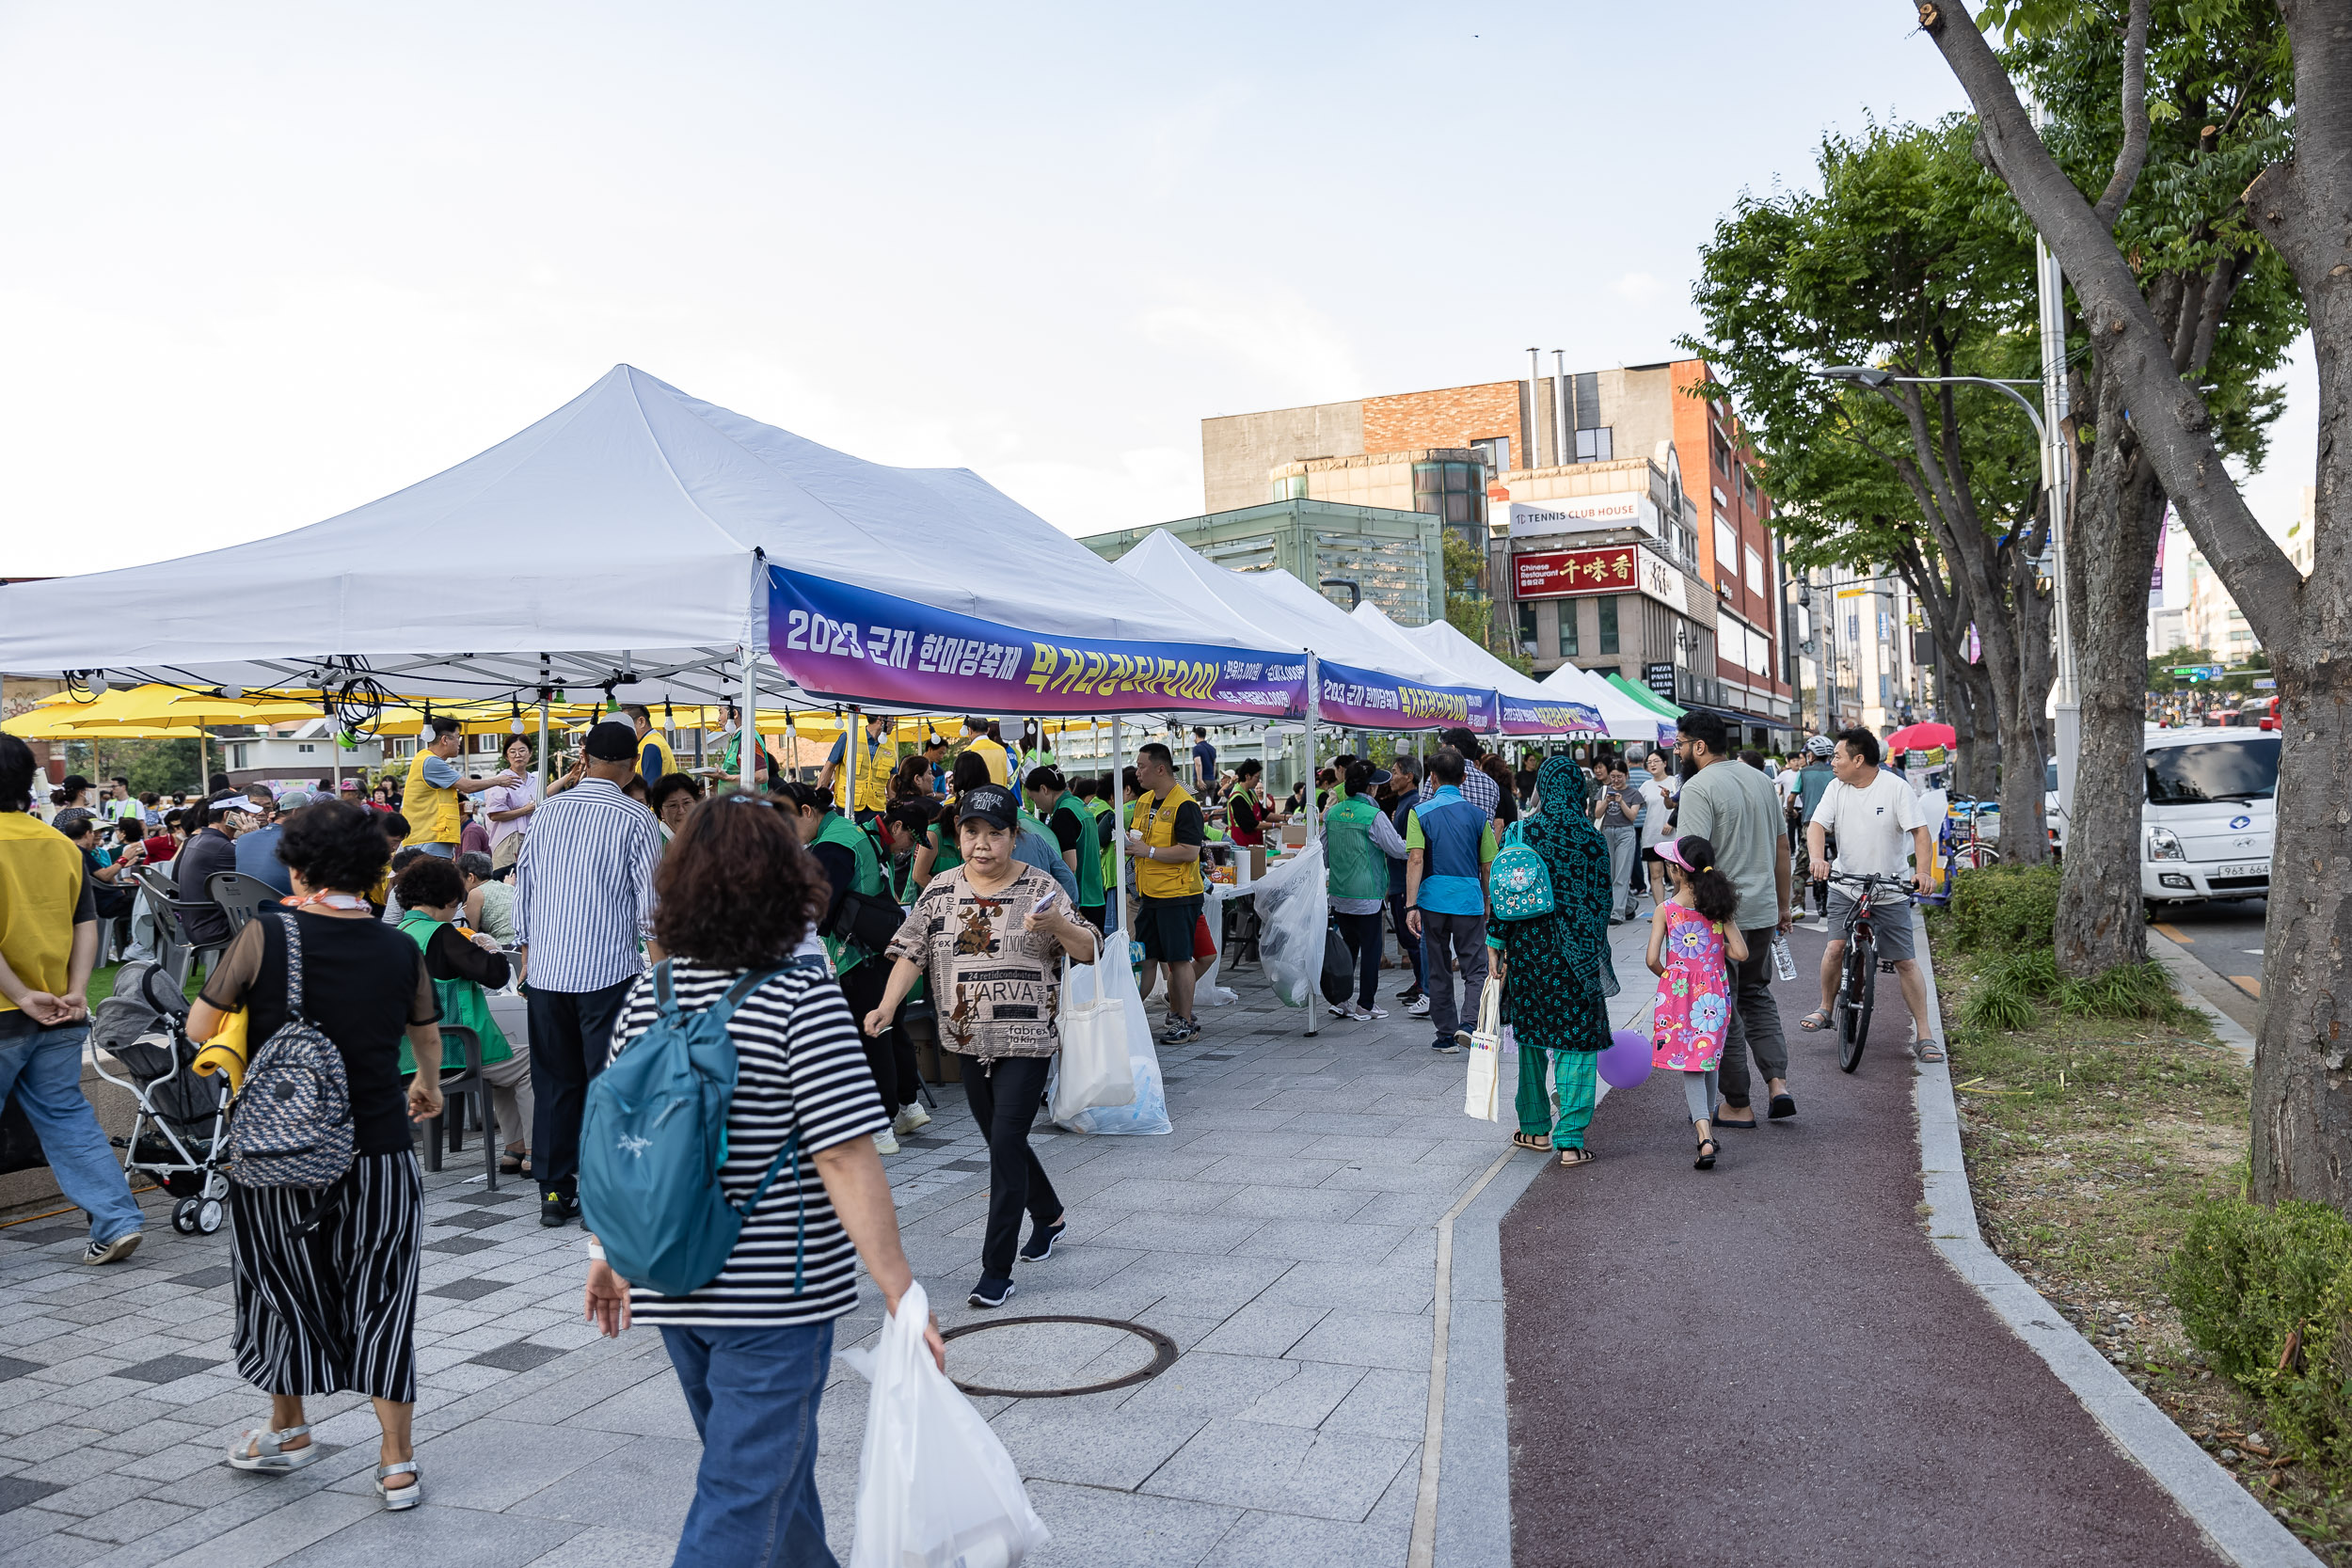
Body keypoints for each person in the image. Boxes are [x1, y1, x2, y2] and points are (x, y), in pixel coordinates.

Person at [584, 790, 944, 1564]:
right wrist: (900, 1287)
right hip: (775, 1291)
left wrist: (604, 1254)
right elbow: (845, 1152)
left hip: (673, 1277)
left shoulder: (653, 992)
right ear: (788, 882)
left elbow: (617, 1139)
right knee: (744, 1489)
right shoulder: (796, 996)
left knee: (762, 1464)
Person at [186, 800, 443, 1507]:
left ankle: (291, 1428)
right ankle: (396, 1463)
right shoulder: (401, 947)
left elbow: (198, 1024)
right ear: (373, 868)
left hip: (278, 1151)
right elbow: (425, 1034)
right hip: (382, 1152)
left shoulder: (268, 934)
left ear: (297, 866)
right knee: (385, 1295)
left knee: (279, 1284)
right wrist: (425, 1086)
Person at [865, 784, 1100, 1309]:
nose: (983, 844)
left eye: (996, 834)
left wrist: (1058, 923)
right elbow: (910, 954)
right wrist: (885, 1007)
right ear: (958, 834)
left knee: (1006, 1142)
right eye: (972, 832)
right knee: (1001, 1140)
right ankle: (1050, 1214)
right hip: (967, 1039)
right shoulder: (941, 890)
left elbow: (1088, 950)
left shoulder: (1041, 888)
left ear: (1014, 838)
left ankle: (996, 1269)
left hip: (1028, 1038)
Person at [0, 738, 146, 1264]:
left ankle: (117, 1220)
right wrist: (77, 992)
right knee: (67, 1117)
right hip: (61, 1009)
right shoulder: (58, 843)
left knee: (66, 1116)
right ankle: (117, 1221)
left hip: (9, 1011)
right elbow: (87, 921)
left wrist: (18, 994)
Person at [515, 721, 662, 1228]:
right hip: (608, 972)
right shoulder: (637, 817)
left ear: (583, 754)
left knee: (554, 1080)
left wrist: (529, 954)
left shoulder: (549, 811)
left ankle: (554, 1193)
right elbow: (650, 911)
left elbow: (524, 885)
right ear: (633, 764)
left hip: (549, 970)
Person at [772, 781, 923, 1151]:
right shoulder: (850, 829)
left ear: (807, 812)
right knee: (892, 1028)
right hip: (885, 943)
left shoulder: (831, 847)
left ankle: (881, 1126)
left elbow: (812, 905)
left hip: (861, 951)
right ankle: (909, 1107)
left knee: (871, 1033)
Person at [1672, 709, 1796, 1131]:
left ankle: (1738, 1103)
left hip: (1719, 916)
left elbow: (1692, 856)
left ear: (1699, 747)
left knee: (1720, 1007)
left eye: (1681, 743)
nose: (1678, 751)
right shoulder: (1762, 780)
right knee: (1757, 995)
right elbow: (1783, 848)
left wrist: (1679, 915)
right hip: (1762, 910)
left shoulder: (1698, 788)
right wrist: (1784, 903)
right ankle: (1778, 1084)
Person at [1489, 756, 1616, 1165]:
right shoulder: (1591, 840)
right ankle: (1571, 1141)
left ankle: (1535, 1128)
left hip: (1530, 954)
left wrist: (1496, 942)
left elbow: (1505, 897)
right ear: (1579, 792)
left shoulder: (1521, 831)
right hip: (1576, 958)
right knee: (1577, 1043)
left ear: (1541, 789)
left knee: (1531, 1040)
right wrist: (1585, 939)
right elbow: (1602, 903)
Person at [390, 855, 534, 1176]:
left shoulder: (399, 934)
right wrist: (491, 947)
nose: (456, 910)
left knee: (506, 1066)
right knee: (531, 1062)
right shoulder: (441, 934)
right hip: (454, 1050)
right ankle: (534, 1150)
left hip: (408, 1056)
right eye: (455, 904)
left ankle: (513, 1149)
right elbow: (495, 976)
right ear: (445, 898)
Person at [1804, 727, 1940, 1059]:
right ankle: (1825, 1007)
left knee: (1906, 962)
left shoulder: (1895, 788)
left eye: (1838, 756)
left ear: (1858, 759)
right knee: (1835, 947)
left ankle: (1924, 1034)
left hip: (1889, 889)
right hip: (1846, 886)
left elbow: (1920, 833)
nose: (1832, 762)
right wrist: (1818, 858)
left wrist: (1923, 872)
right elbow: (1817, 825)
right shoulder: (1836, 788)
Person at [1646, 834, 1747, 1171]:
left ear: (1676, 872)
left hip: (1677, 994)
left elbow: (1651, 959)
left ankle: (1703, 1136)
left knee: (1688, 1061)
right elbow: (1741, 953)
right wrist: (1716, 953)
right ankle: (1710, 1131)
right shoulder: (1717, 907)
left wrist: (1672, 975)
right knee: (1709, 1058)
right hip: (1713, 994)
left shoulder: (1666, 910)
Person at [1406, 748, 1499, 1055]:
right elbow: (1488, 865)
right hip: (1469, 900)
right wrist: (1487, 899)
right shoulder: (1478, 815)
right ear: (1463, 777)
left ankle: (1445, 1035)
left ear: (1431, 778)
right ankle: (1469, 1024)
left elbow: (1416, 859)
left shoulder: (1419, 813)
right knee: (1476, 968)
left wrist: (1410, 905)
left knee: (1437, 966)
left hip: (1432, 900)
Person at [1126, 741, 1206, 1044]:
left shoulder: (1185, 804)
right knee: (1147, 957)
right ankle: (1129, 1014)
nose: (1137, 772)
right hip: (1149, 894)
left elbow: (1189, 852)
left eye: (1142, 766)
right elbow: (1139, 840)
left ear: (1161, 768)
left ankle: (1185, 1020)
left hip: (1178, 895)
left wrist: (1150, 850)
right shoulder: (1145, 801)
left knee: (1179, 959)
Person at [1323, 761, 1400, 1022]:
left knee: (1348, 947)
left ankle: (1341, 999)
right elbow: (1397, 848)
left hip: (1340, 892)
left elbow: (1324, 853)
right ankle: (1366, 1004)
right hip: (1367, 894)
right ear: (1371, 788)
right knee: (1370, 949)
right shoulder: (1373, 816)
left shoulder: (1332, 814)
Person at [400, 717, 519, 859]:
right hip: (429, 839)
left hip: (429, 838)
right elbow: (467, 786)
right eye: (458, 737)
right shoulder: (430, 761)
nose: (459, 743)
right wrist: (498, 780)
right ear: (445, 740)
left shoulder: (425, 759)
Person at [1025, 767, 1106, 935]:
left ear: (1044, 789)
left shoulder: (1063, 814)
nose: (1037, 805)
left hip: (1081, 899)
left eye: (1034, 798)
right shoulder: (1078, 804)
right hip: (1096, 893)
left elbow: (1070, 865)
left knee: (1081, 959)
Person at [174, 794, 256, 955]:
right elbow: (256, 880)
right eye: (246, 814)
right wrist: (252, 840)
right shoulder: (221, 848)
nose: (251, 818)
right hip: (215, 928)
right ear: (227, 816)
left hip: (197, 925)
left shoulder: (197, 840)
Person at [1380, 756, 1428, 1016]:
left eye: (1395, 771)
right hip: (1398, 880)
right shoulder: (1403, 804)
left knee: (1412, 938)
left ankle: (1424, 986)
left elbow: (1410, 848)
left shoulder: (1413, 805)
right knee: (1406, 937)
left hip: (1406, 882)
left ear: (1409, 776)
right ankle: (1419, 982)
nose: (1392, 776)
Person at [910, 752, 992, 889]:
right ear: (957, 821)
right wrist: (951, 895)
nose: (980, 838)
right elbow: (919, 876)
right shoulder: (934, 834)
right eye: (972, 829)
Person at [1590, 765, 1644, 922]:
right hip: (1607, 832)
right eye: (1613, 776)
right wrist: (1606, 801)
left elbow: (1632, 816)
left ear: (1626, 775)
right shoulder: (1604, 791)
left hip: (1625, 833)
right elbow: (1597, 813)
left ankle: (1616, 913)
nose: (1616, 780)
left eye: (1619, 776)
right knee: (1610, 875)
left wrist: (1621, 802)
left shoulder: (1634, 794)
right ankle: (1630, 904)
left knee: (1621, 874)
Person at [479, 736, 540, 874]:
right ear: (506, 756)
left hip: (533, 837)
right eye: (512, 751)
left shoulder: (535, 780)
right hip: (508, 839)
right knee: (507, 881)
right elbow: (495, 815)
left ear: (530, 753)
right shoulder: (501, 780)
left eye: (522, 750)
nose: (518, 755)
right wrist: (525, 810)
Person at [820, 712, 895, 822]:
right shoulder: (849, 737)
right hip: (848, 806)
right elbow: (829, 768)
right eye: (892, 720)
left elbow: (892, 780)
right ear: (881, 719)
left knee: (874, 839)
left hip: (876, 809)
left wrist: (896, 808)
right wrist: (820, 800)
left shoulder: (891, 746)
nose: (894, 724)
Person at [1793, 735, 1838, 912]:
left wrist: (1790, 811)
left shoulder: (1803, 773)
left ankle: (1797, 905)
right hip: (1835, 826)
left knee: (1801, 867)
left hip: (1810, 825)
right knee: (1841, 862)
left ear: (1811, 755)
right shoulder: (1835, 771)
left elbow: (1791, 797)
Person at [232, 790, 307, 897]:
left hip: (245, 911)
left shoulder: (243, 839)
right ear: (297, 813)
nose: (262, 813)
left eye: (267, 808)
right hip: (286, 910)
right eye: (255, 808)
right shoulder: (300, 840)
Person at [1418, 727, 1501, 818]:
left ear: (1453, 749)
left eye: (1443, 749)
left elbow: (1422, 813)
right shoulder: (1491, 784)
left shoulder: (1439, 777)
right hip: (1482, 832)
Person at [1638, 751, 1680, 910]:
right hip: (1651, 835)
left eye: (1656, 761)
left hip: (1672, 835)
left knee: (1675, 875)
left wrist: (1672, 822)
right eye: (1649, 762)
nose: (1653, 764)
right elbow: (1635, 807)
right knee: (1655, 875)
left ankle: (1675, 907)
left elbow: (1681, 805)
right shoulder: (1646, 786)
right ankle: (1660, 910)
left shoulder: (1674, 782)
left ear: (1665, 763)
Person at [458, 850, 515, 944]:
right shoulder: (508, 887)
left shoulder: (476, 893)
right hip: (521, 946)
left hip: (503, 947)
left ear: (471, 877)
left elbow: (471, 933)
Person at [620, 705, 679, 789]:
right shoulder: (651, 741)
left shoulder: (650, 747)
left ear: (641, 722)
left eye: (625, 724)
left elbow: (650, 791)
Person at [648, 772, 702, 844]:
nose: (681, 811)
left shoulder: (702, 838)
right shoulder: (655, 844)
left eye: (686, 803)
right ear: (661, 812)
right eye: (673, 805)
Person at [958, 716, 1009, 786]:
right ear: (988, 730)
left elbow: (962, 780)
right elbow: (1008, 777)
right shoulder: (1001, 750)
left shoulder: (967, 752)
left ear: (970, 730)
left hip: (976, 796)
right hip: (999, 795)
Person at [1191, 727, 1217, 792]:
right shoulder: (1212, 749)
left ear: (1195, 735)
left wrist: (1199, 780)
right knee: (1209, 801)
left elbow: (1198, 764)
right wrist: (1213, 779)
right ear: (1204, 735)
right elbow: (1214, 765)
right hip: (1211, 780)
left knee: (1201, 801)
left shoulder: (1196, 748)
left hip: (1202, 781)